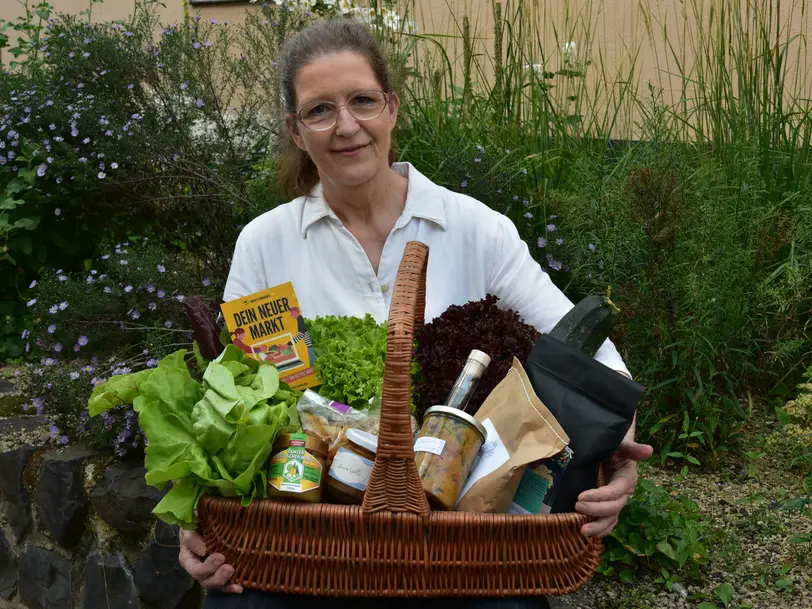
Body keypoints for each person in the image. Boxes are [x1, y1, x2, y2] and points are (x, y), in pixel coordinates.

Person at [180, 18, 654, 609]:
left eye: (362, 101)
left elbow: (597, 359)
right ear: (296, 132)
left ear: (392, 109)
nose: (347, 125)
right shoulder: (266, 243)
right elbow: (226, 399)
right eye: (320, 110)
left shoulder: (474, 228)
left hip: (456, 542)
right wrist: (193, 516)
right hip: (315, 541)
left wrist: (617, 461)